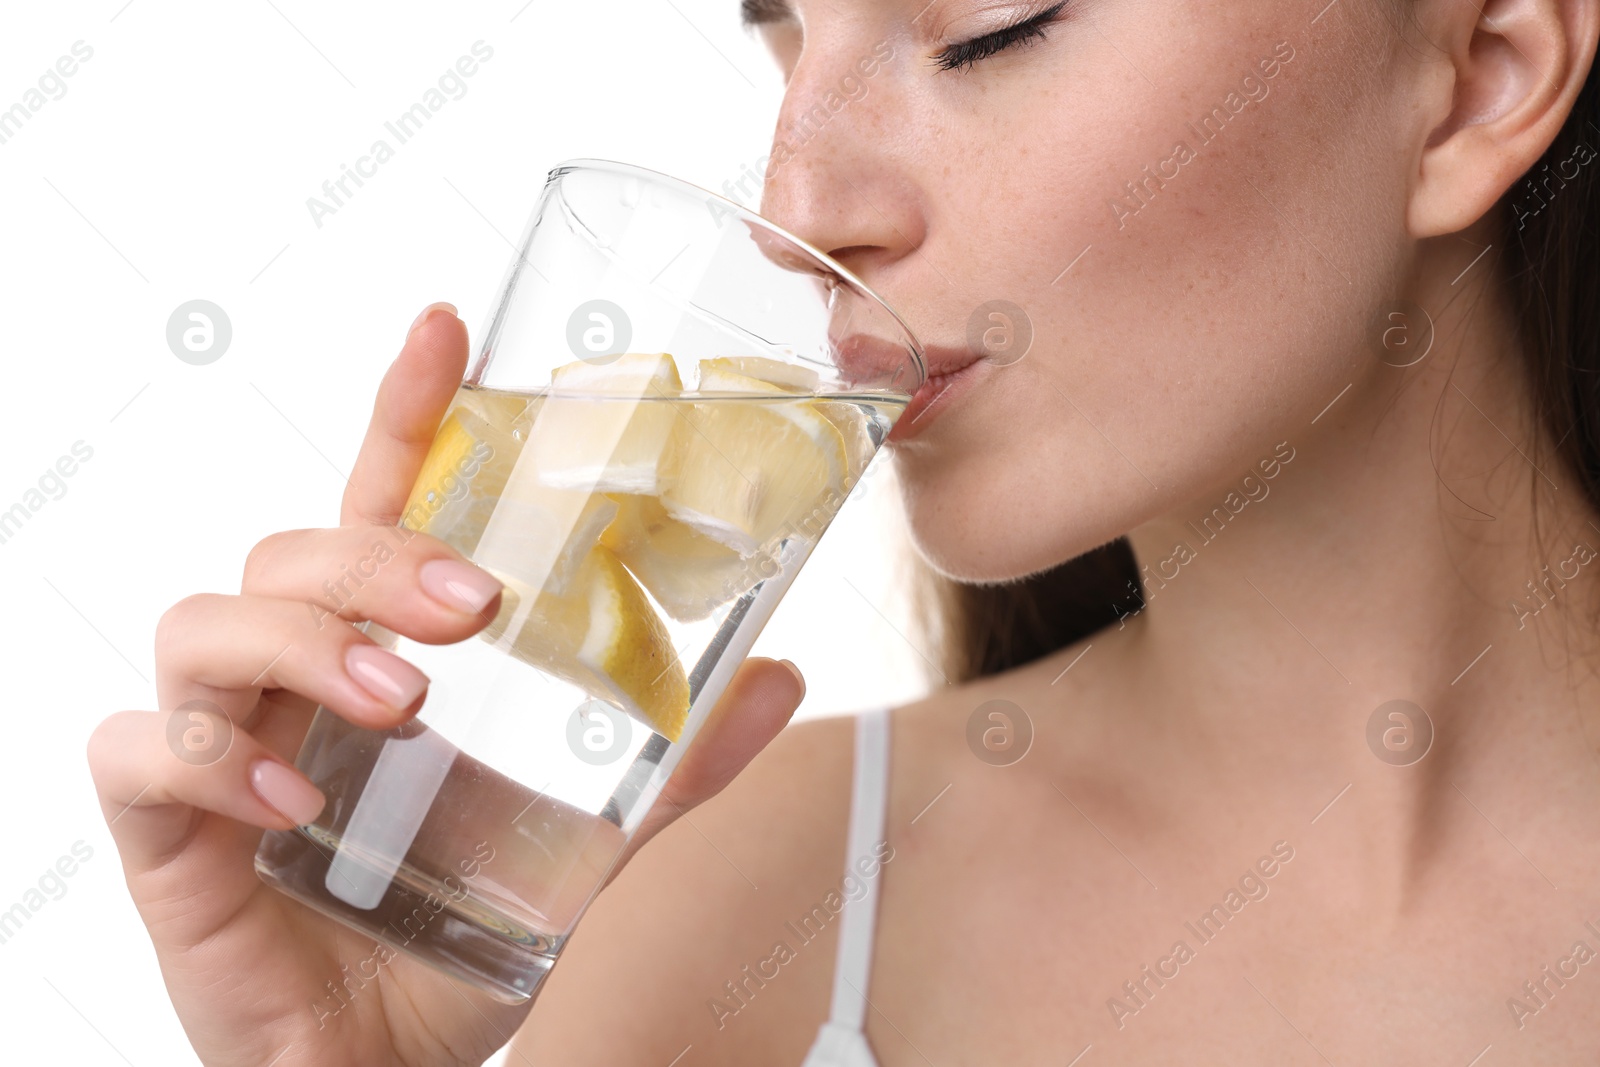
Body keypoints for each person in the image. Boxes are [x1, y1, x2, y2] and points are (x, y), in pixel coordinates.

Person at [90, 0, 1600, 1063]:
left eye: (990, 25)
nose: (795, 205)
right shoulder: (703, 909)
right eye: (785, 33)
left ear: (1476, 76)